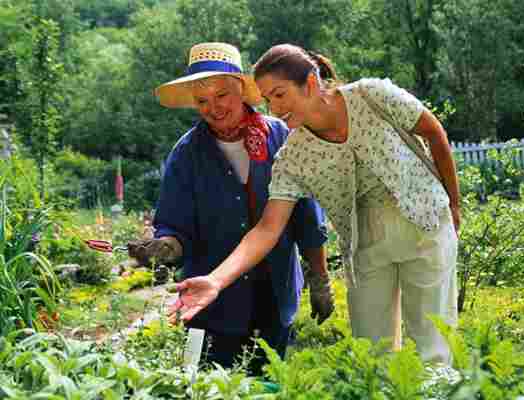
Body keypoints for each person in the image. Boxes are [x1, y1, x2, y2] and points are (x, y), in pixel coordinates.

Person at [169, 43, 461, 365]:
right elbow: (267, 228)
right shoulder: (294, 154)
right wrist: (216, 280)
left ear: (309, 83)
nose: (275, 109)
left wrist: (454, 205)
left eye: (280, 95)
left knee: (433, 346)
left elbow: (434, 132)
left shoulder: (371, 95)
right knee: (373, 357)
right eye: (268, 100)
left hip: (424, 221)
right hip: (363, 240)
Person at [129, 42, 333, 374]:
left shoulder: (281, 137)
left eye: (221, 95)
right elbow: (175, 227)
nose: (213, 108)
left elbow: (308, 218)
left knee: (272, 387)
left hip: (275, 296)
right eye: (202, 101)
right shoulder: (187, 154)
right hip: (210, 309)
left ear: (241, 89)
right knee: (208, 389)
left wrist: (320, 280)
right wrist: (163, 249)